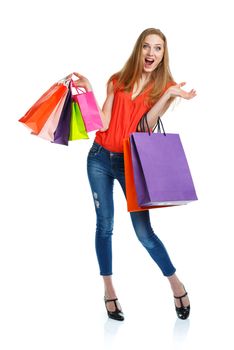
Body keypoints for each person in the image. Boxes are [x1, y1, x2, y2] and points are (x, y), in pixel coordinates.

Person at [73, 28, 196, 321]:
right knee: (104, 226)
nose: (151, 53)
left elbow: (145, 127)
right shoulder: (118, 80)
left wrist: (167, 94)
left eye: (157, 49)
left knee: (145, 233)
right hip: (100, 158)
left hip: (132, 164)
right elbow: (102, 122)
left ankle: (175, 284)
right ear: (138, 50)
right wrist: (88, 89)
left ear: (163, 55)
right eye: (146, 47)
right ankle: (109, 291)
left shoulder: (163, 88)